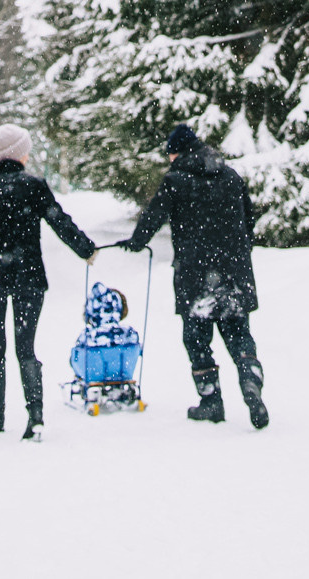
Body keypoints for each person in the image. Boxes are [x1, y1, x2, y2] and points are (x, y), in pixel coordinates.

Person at [0, 124, 98, 440]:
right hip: (29, 279)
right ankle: (35, 417)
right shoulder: (34, 186)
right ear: (20, 154)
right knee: (26, 347)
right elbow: (58, 220)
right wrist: (85, 249)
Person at [112, 125, 266, 428]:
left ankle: (211, 400)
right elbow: (249, 218)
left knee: (196, 338)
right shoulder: (231, 176)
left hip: (196, 273)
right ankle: (250, 379)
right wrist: (238, 251)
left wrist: (136, 242)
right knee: (238, 333)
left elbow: (154, 216)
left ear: (177, 152)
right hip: (234, 270)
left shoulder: (176, 181)